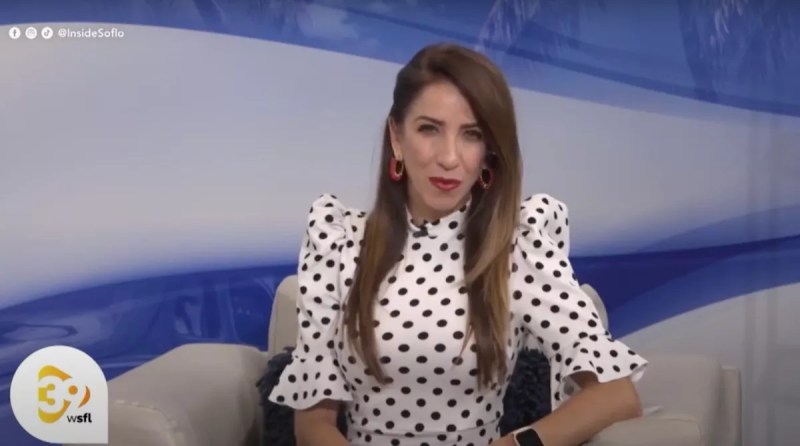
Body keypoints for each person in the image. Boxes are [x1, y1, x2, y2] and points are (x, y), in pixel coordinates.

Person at [268, 43, 647, 446]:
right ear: (397, 137)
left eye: (471, 135)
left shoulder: (517, 247)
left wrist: (516, 444)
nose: (449, 158)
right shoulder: (338, 243)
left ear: (488, 153)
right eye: (429, 129)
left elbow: (616, 394)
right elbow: (313, 426)